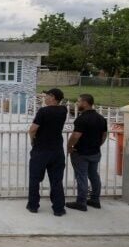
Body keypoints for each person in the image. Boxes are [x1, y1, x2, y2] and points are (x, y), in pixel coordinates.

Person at [27, 88, 68, 216]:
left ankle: (33, 205)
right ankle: (59, 208)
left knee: (35, 179)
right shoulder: (63, 110)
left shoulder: (43, 111)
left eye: (47, 96)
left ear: (53, 97)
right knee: (56, 180)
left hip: (41, 150)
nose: (45, 98)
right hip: (57, 150)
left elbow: (33, 129)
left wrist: (32, 140)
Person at [66, 94, 107, 211]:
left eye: (78, 102)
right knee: (94, 175)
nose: (77, 104)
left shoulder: (82, 119)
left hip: (81, 153)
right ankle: (95, 200)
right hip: (95, 152)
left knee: (81, 177)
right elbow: (104, 135)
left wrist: (69, 146)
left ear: (85, 103)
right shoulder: (101, 118)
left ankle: (81, 203)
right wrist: (98, 145)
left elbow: (76, 135)